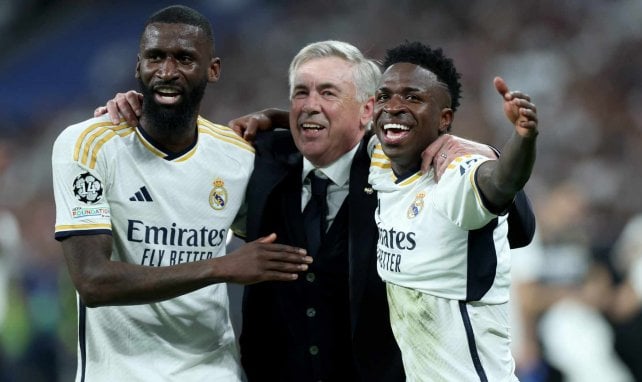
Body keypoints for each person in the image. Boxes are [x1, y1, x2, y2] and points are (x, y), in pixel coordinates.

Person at [97, 40, 535, 381]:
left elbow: (517, 224)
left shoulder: (400, 167)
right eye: (300, 93)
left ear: (368, 110)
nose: (309, 104)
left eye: (328, 92)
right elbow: (175, 156)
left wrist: (488, 150)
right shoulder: (257, 158)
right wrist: (135, 114)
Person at [52, 5, 312, 381]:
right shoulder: (88, 144)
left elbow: (341, 154)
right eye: (155, 57)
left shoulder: (237, 154)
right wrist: (220, 267)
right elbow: (93, 281)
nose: (167, 72)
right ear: (137, 65)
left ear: (213, 69)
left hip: (213, 371)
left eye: (185, 58)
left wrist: (278, 116)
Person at [367, 41, 538, 381]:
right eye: (385, 96)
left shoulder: (454, 176)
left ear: (444, 119)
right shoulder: (380, 161)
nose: (394, 106)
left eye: (413, 97)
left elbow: (499, 183)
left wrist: (522, 138)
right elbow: (341, 130)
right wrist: (278, 118)